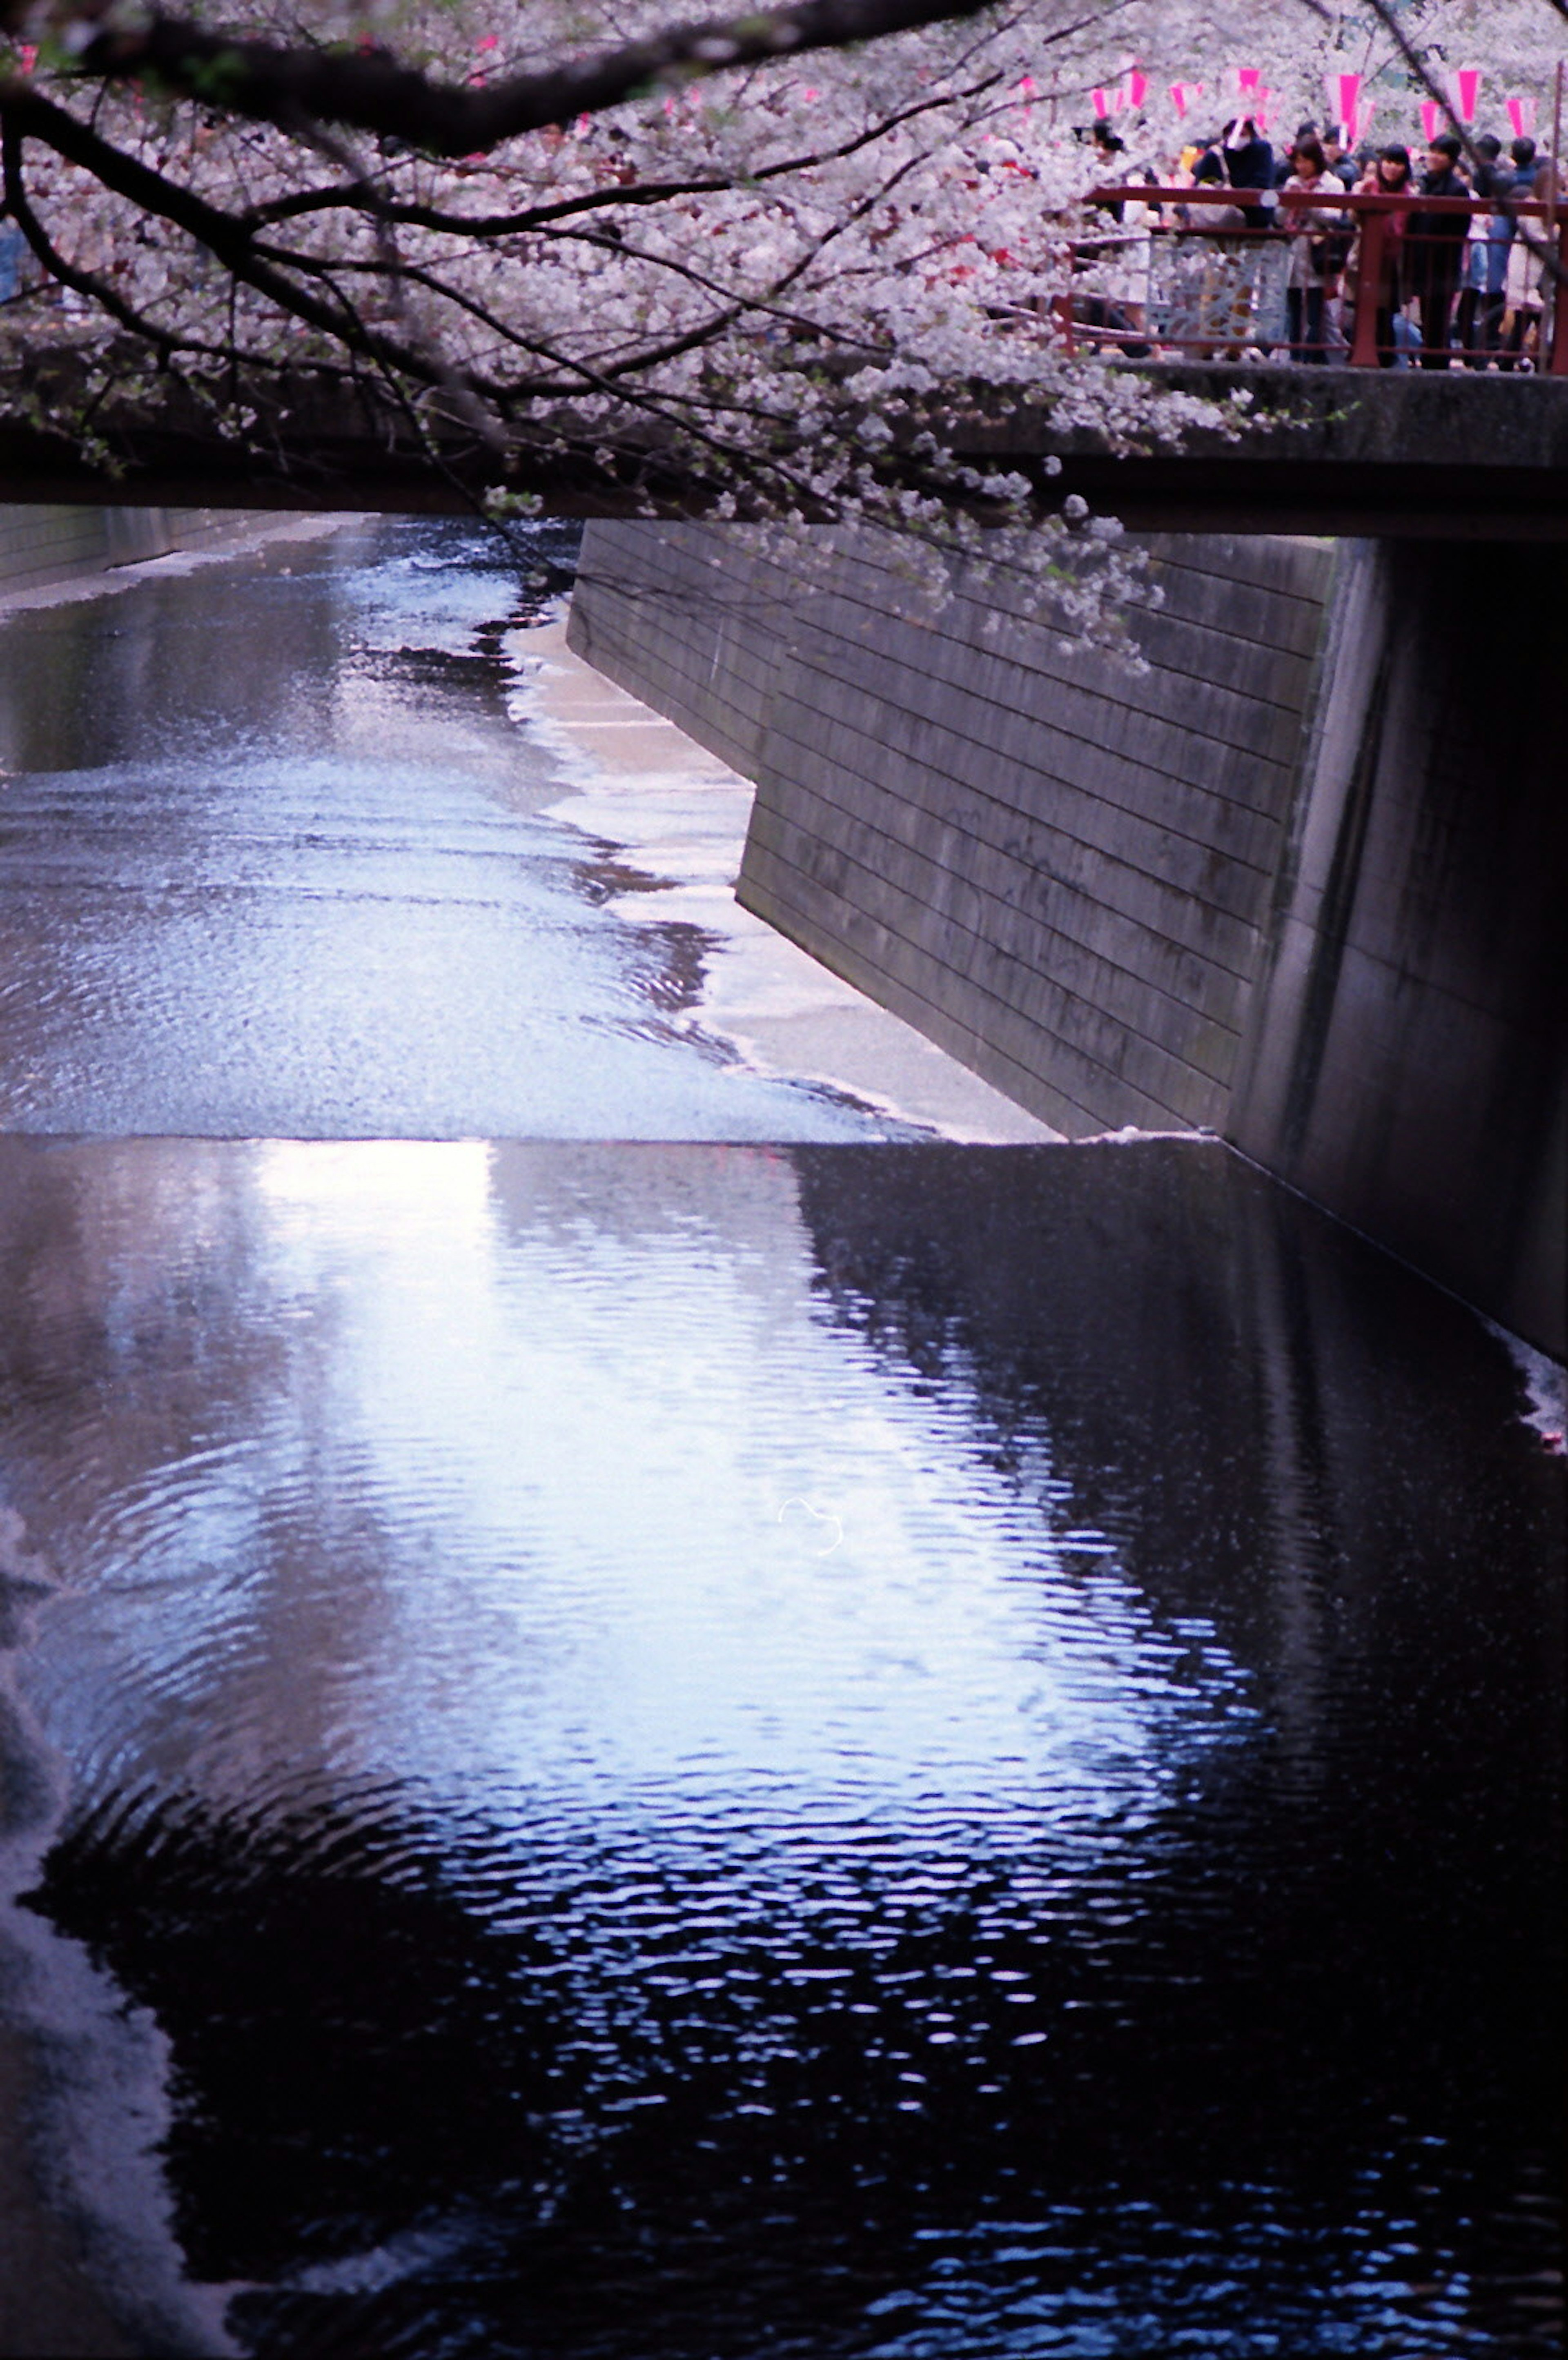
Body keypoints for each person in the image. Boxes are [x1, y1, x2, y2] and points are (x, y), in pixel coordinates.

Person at [1279, 137, 1347, 360]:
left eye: (1306, 161)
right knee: (1294, 312)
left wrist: (1308, 202)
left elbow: (1334, 217)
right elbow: (1279, 218)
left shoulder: (1333, 184)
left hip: (1318, 255)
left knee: (1316, 314)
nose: (1302, 167)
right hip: (1293, 254)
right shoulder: (1291, 182)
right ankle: (1296, 357)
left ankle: (1312, 359)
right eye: (1298, 162)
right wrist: (1288, 201)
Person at [1407, 131, 1470, 367]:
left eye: (1440, 153)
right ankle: (1431, 365)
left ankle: (1435, 369)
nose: (1433, 157)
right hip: (1426, 263)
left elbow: (1457, 229)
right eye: (1433, 151)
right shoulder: (1426, 184)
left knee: (1437, 323)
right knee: (1429, 321)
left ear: (1452, 159)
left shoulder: (1456, 190)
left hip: (1442, 266)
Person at [1354, 144, 1414, 364]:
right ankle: (1364, 353)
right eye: (1388, 162)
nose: (1392, 168)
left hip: (1392, 261)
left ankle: (1383, 356)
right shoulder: (1368, 187)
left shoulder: (1410, 195)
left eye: (1398, 163)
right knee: (1363, 310)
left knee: (1385, 312)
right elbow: (1354, 218)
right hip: (1365, 257)